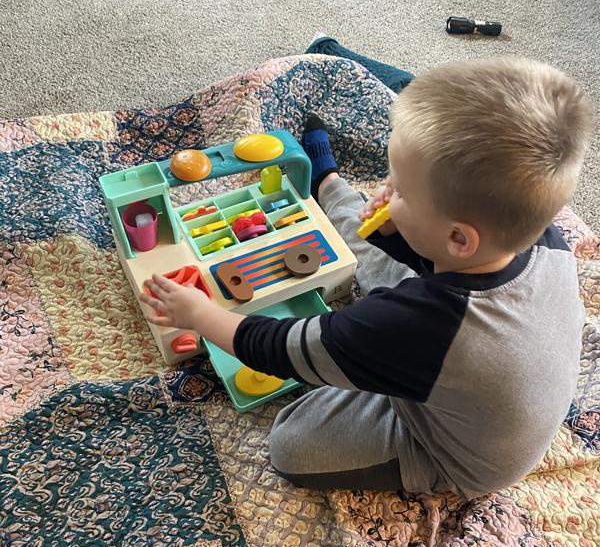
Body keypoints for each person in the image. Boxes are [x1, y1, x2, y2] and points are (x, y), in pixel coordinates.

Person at [141, 57, 593, 500]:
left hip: (452, 452)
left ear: (458, 238)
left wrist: (201, 314)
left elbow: (279, 348)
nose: (386, 191)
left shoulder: (418, 326)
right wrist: (398, 222)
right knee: (369, 239)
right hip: (475, 374)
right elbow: (436, 271)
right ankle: (328, 182)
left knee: (291, 445)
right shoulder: (542, 239)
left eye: (399, 190)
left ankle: (373, 373)